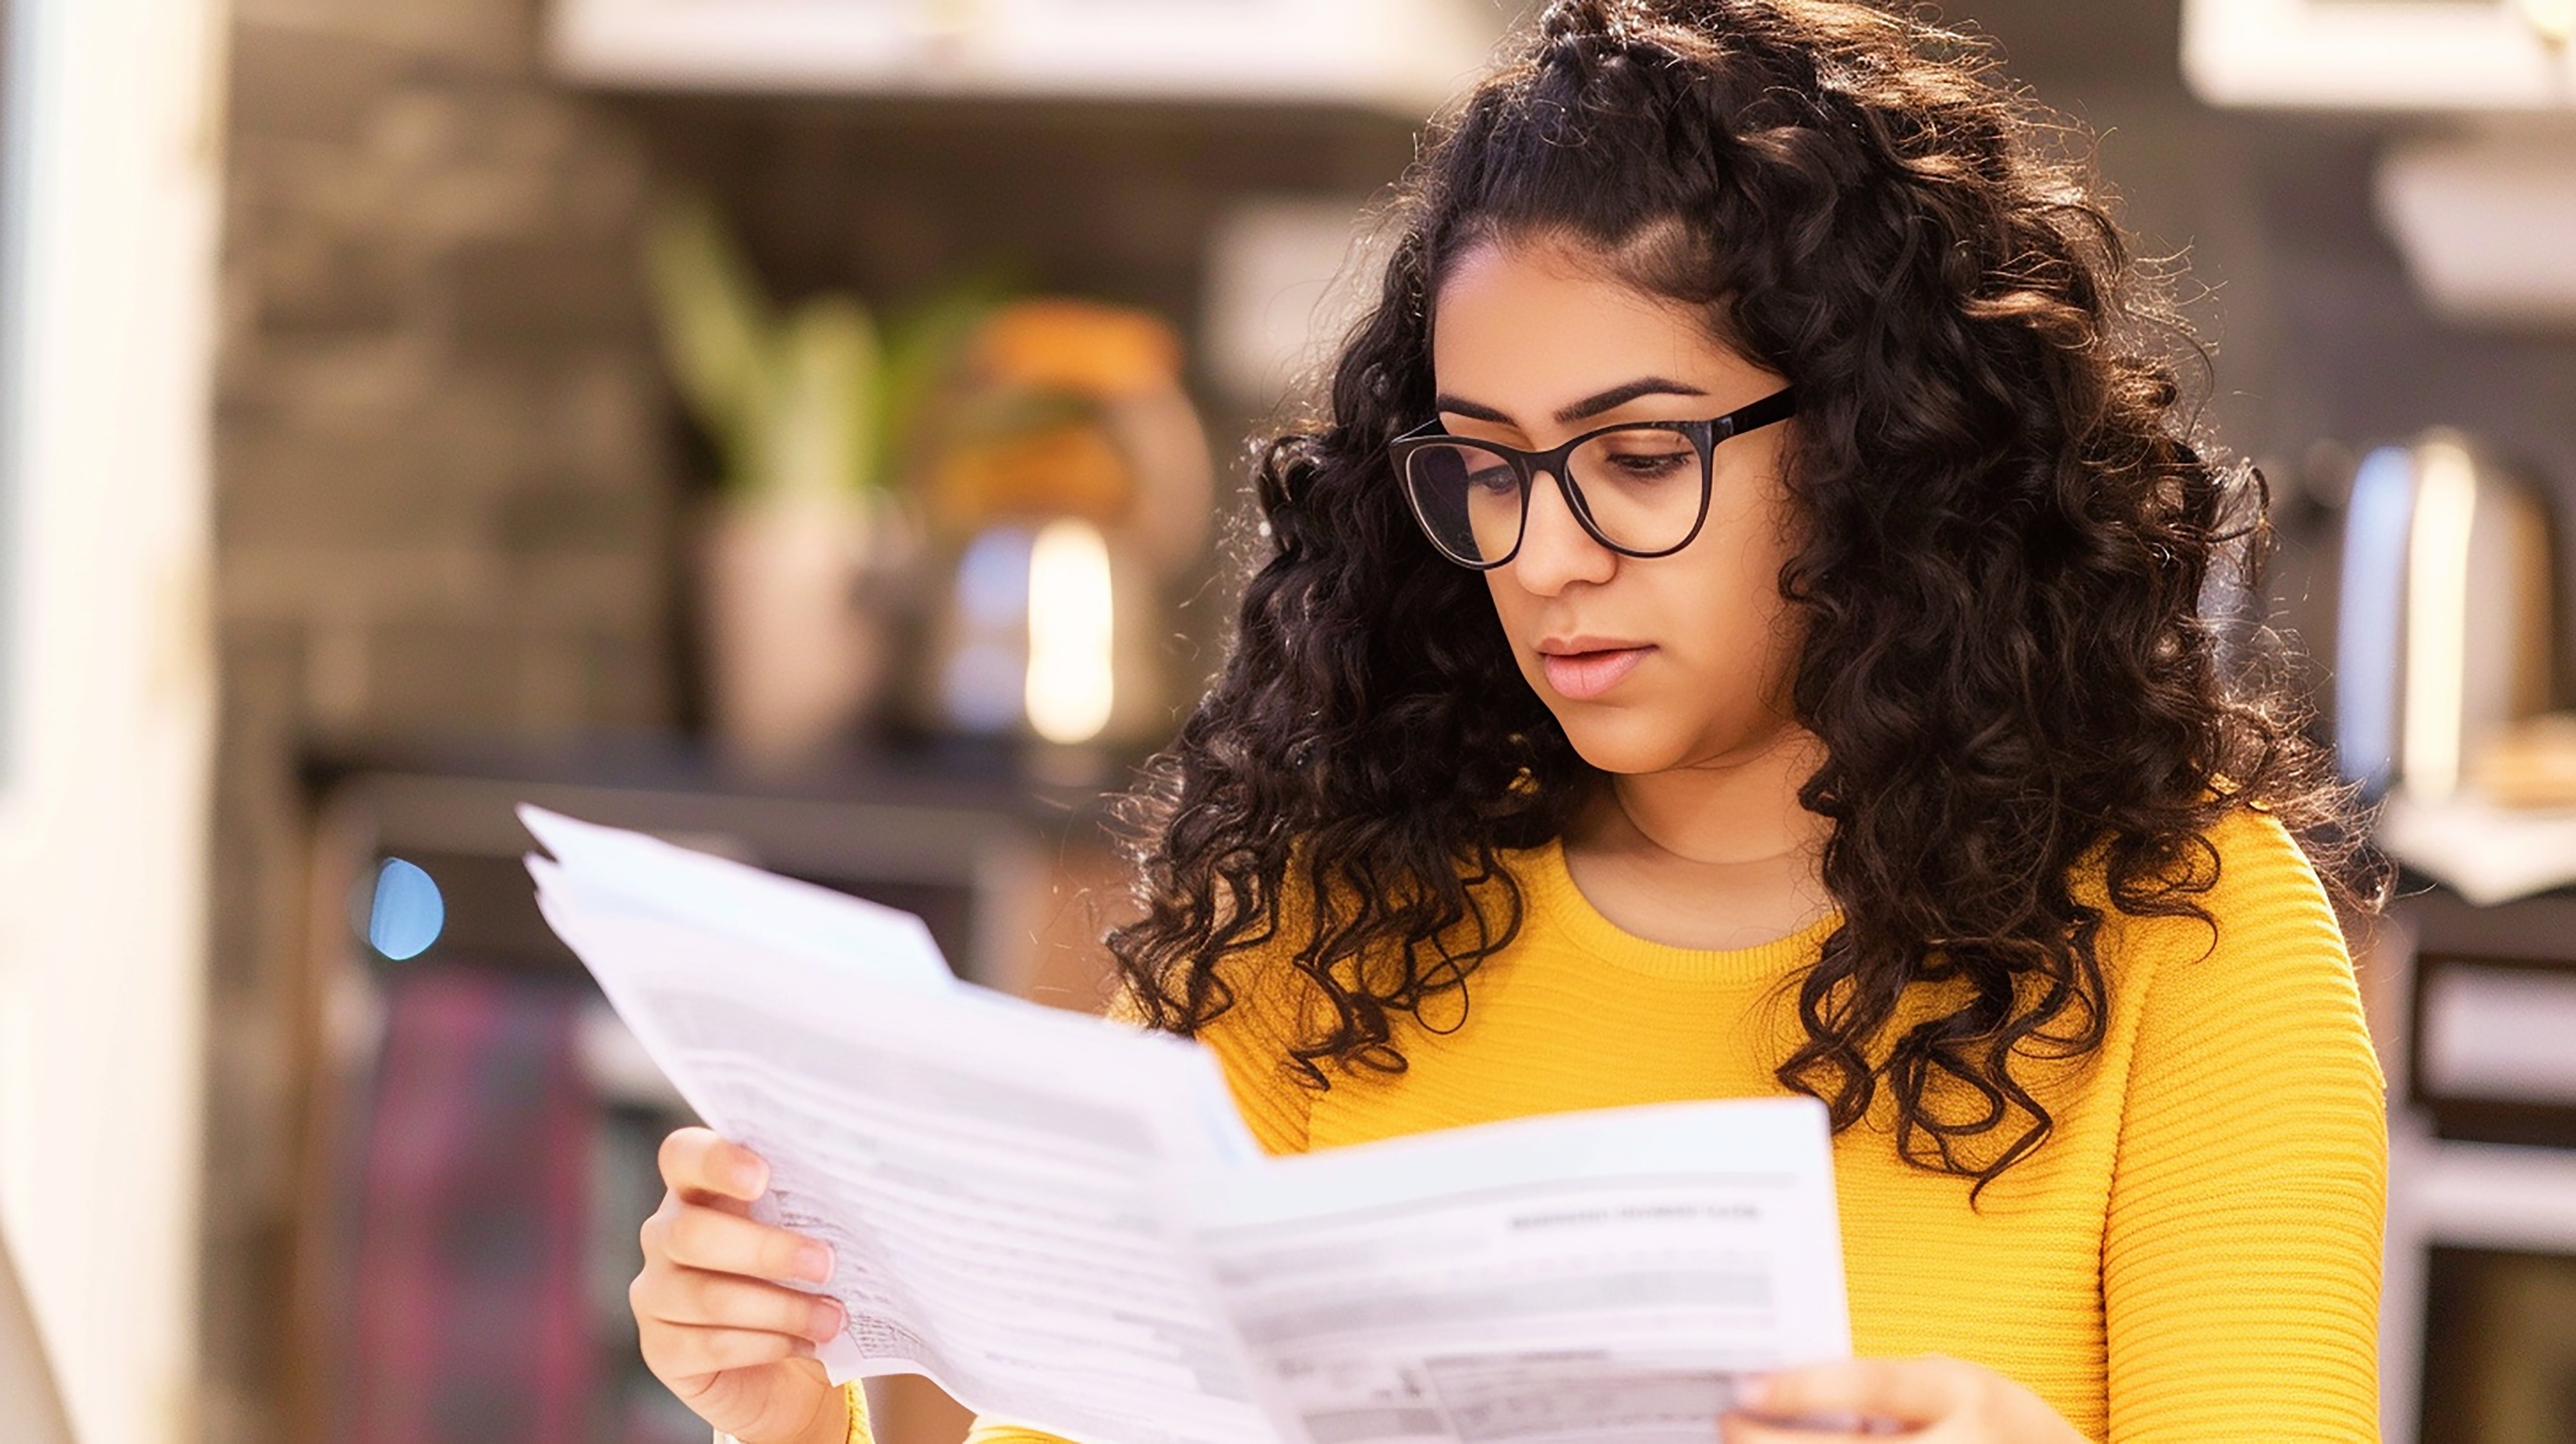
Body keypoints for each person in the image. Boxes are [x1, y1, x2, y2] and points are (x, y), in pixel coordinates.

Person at [626, 2, 2390, 1441]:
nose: (1540, 556)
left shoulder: (2187, 936)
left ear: (1883, 452)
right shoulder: (1314, 921)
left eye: (1634, 459)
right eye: (1485, 469)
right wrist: (786, 1421)